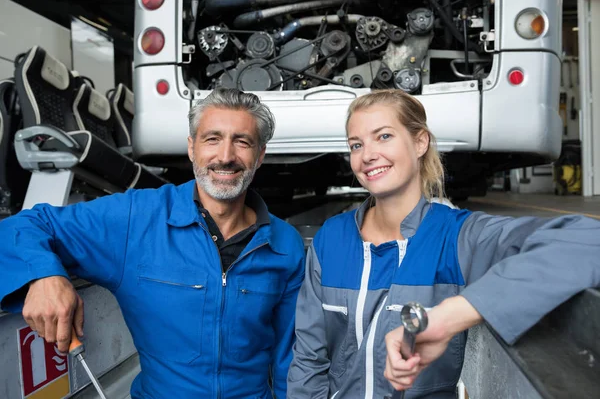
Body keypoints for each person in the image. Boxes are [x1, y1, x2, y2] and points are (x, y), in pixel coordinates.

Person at [286, 89, 600, 399]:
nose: (367, 155)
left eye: (383, 136)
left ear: (420, 142)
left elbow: (587, 239)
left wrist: (451, 316)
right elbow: (309, 358)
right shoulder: (332, 238)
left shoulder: (458, 235)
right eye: (356, 144)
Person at [0, 88, 305, 398]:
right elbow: (26, 225)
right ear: (191, 148)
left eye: (242, 141)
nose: (225, 156)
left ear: (261, 154)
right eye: (212, 139)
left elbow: (289, 360)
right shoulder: (136, 219)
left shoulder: (285, 245)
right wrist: (43, 276)